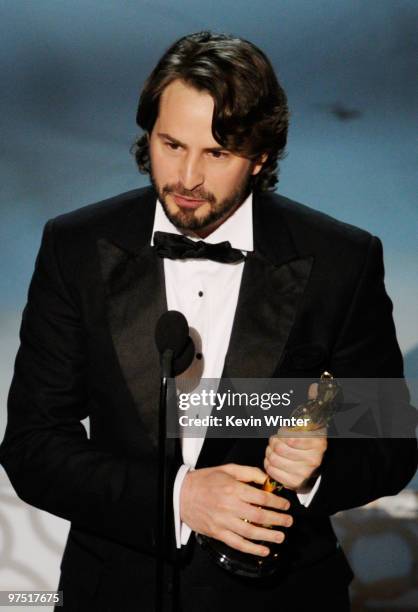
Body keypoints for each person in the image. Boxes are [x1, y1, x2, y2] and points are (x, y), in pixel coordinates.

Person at [0, 31, 416, 612]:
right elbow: (33, 445)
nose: (187, 178)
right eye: (171, 145)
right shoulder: (75, 247)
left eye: (217, 154)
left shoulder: (341, 260)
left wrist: (320, 464)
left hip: (284, 596)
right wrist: (177, 500)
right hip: (114, 592)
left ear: (262, 155)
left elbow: (390, 442)